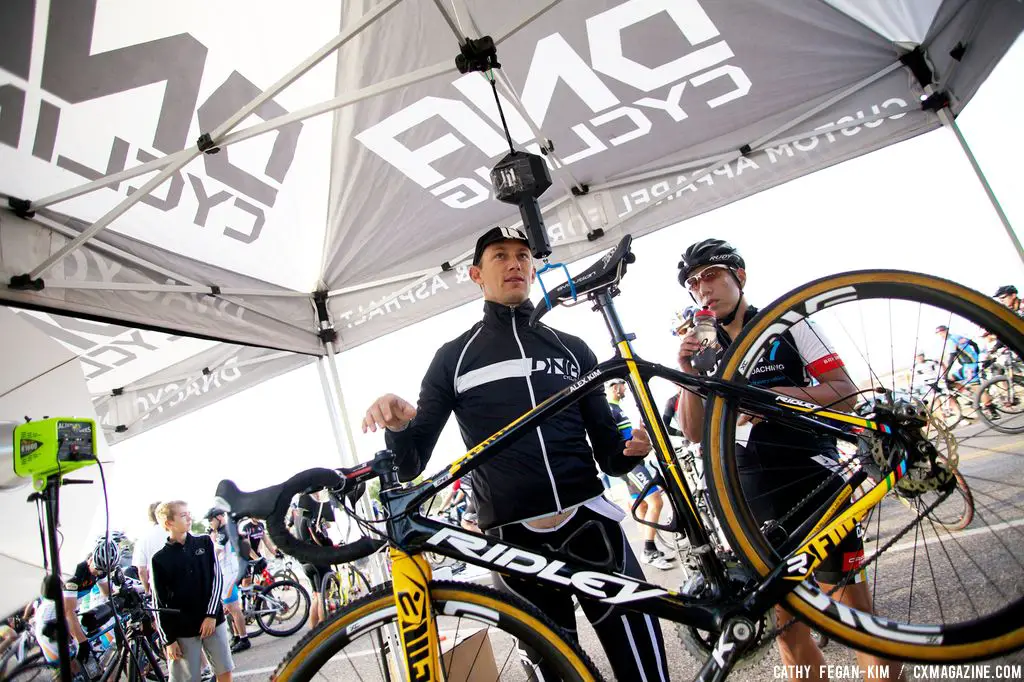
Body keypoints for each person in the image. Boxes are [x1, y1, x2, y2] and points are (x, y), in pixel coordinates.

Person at [361, 225, 667, 681]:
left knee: (646, 672)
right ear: (475, 275)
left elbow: (610, 455)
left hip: (591, 525)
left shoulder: (574, 348)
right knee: (555, 674)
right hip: (513, 545)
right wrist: (398, 425)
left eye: (523, 255)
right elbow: (410, 463)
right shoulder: (452, 358)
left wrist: (633, 451)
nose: (515, 264)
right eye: (500, 256)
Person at [675, 238, 901, 682]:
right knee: (785, 621)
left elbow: (846, 393)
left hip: (810, 473)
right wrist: (686, 375)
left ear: (739, 277)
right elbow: (693, 432)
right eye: (693, 283)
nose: (704, 289)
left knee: (858, 617)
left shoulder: (788, 323)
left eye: (713, 275)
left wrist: (778, 399)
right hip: (748, 487)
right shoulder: (702, 350)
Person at [151, 501, 234, 682]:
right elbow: (159, 602)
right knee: (188, 679)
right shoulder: (159, 559)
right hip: (183, 629)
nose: (189, 517)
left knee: (224, 670)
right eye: (183, 515)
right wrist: (169, 640)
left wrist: (211, 615)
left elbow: (217, 578)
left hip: (213, 621)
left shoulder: (204, 541)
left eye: (189, 513)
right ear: (168, 523)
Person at [606, 379, 675, 569]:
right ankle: (648, 550)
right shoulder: (610, 409)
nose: (626, 388)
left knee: (642, 507)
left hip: (633, 463)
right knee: (656, 501)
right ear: (615, 387)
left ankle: (649, 549)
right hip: (631, 465)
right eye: (623, 385)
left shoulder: (617, 408)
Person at [33, 540, 118, 673]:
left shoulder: (99, 569)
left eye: (103, 571)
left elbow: (107, 592)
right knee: (69, 669)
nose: (98, 573)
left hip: (65, 617)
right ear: (90, 559)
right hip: (50, 621)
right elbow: (68, 612)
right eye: (98, 569)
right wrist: (82, 641)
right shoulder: (76, 573)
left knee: (84, 669)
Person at [206, 509, 250, 654]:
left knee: (233, 607)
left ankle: (244, 639)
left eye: (211, 519)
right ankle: (237, 636)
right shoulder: (224, 530)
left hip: (230, 573)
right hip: (228, 572)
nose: (210, 523)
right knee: (230, 609)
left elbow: (215, 553)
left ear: (219, 517)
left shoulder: (223, 531)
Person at [293, 491, 336, 630]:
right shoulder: (310, 514)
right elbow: (315, 533)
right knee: (323, 597)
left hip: (305, 561)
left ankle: (313, 632)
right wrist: (325, 547)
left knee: (316, 597)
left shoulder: (298, 515)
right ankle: (325, 630)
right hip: (317, 558)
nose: (318, 496)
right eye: (315, 494)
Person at [935, 325, 997, 420]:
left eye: (942, 332)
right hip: (967, 365)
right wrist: (976, 355)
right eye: (939, 333)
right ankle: (968, 395)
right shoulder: (957, 336)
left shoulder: (951, 341)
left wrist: (946, 372)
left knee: (976, 387)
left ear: (946, 330)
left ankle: (992, 410)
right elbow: (974, 344)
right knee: (950, 379)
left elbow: (951, 358)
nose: (941, 334)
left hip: (969, 366)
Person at [132, 501, 167, 595]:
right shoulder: (177, 532)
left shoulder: (143, 538)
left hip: (157, 588)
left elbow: (141, 570)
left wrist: (147, 590)